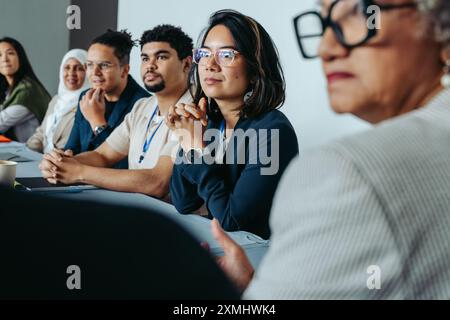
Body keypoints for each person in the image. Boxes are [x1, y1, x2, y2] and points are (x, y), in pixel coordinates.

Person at [212, 0, 450, 299]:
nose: (326, 48)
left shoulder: (347, 170)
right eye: (324, 22)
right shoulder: (204, 123)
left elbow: (230, 217)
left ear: (442, 28)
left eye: (363, 15)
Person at [167, 10, 299, 239]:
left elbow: (233, 220)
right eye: (204, 53)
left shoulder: (272, 131)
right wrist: (189, 138)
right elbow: (184, 202)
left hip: (259, 257)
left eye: (226, 55)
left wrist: (196, 150)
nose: (210, 64)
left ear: (255, 69)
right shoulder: (209, 121)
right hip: (218, 247)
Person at [39, 25, 193, 199]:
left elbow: (157, 182)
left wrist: (78, 171)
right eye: (145, 58)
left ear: (186, 63)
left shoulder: (193, 111)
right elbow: (102, 155)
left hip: (174, 220)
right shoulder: (143, 106)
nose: (150, 65)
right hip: (137, 210)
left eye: (161, 57)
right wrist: (60, 163)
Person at [63, 29, 150, 168]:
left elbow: (126, 165)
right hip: (80, 181)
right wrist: (61, 158)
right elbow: (72, 147)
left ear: (125, 70)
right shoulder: (86, 96)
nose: (95, 72)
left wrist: (97, 122)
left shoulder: (143, 104)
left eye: (104, 65)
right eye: (90, 64)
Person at [26, 49, 89, 153]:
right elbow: (41, 133)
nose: (71, 73)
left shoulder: (89, 103)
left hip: (64, 161)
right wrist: (27, 151)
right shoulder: (56, 100)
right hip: (42, 160)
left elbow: (78, 145)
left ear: (88, 73)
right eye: (67, 67)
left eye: (79, 68)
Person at [0, 37, 50, 142]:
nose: (4, 59)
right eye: (0, 55)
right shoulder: (9, 89)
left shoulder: (27, 91)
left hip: (31, 153)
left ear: (20, 57)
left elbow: (1, 122)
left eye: (10, 53)